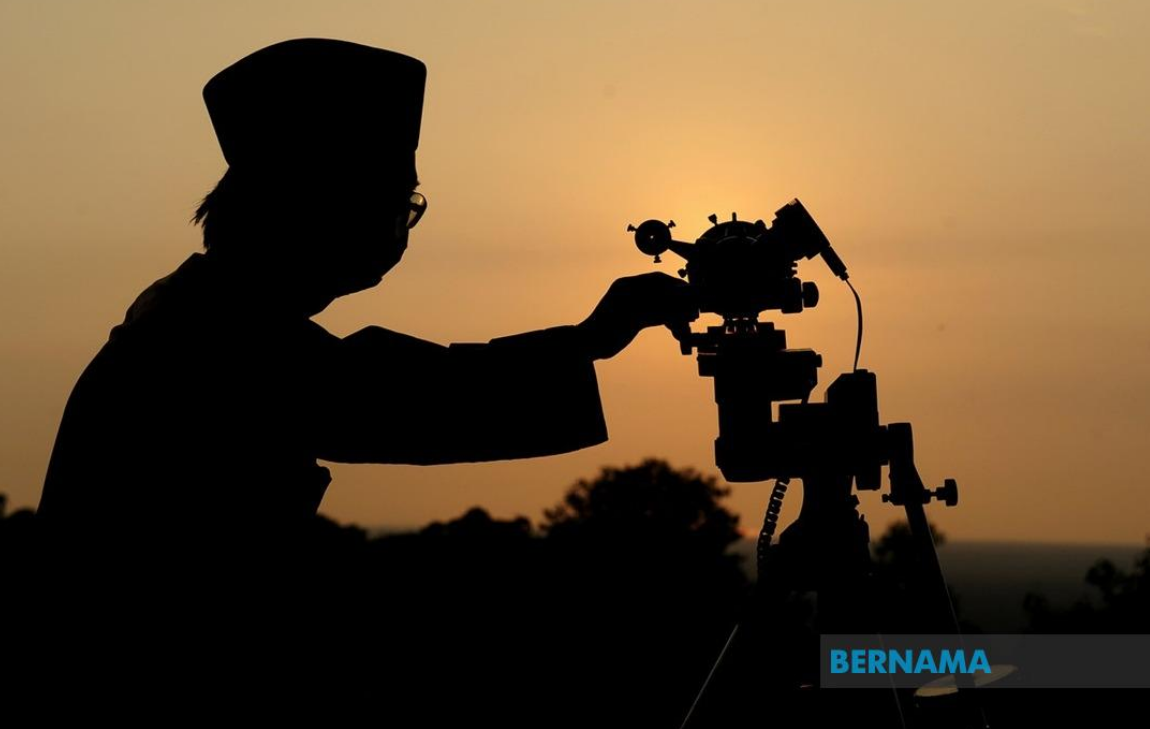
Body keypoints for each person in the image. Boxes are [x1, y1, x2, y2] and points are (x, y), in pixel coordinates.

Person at [26, 38, 697, 716]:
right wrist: (591, 340)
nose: (399, 230)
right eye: (398, 203)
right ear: (317, 205)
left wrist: (588, 341)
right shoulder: (212, 338)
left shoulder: (200, 312)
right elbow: (399, 397)